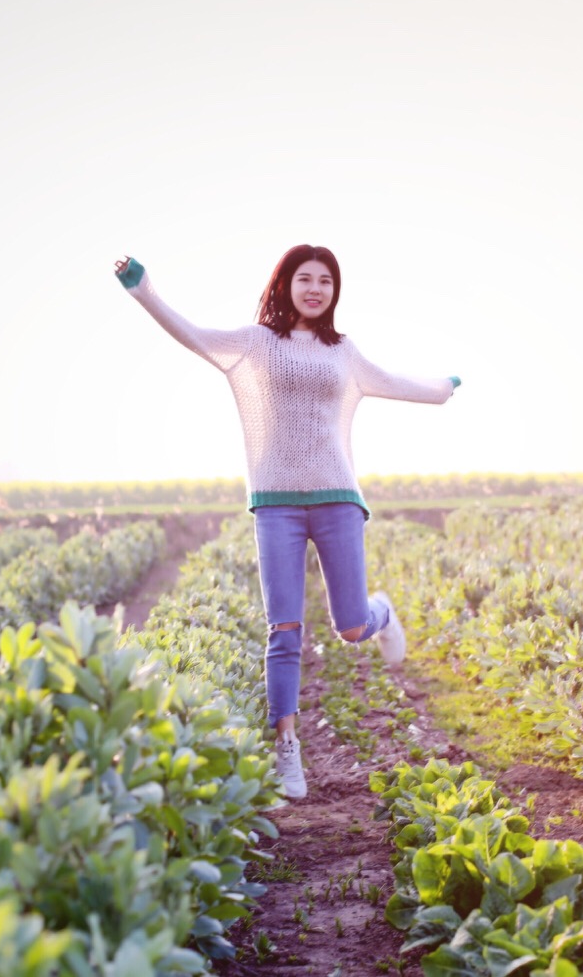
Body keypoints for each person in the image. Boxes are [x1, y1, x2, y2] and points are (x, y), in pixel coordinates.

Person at [112, 245, 460, 799]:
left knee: (349, 628)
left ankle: (381, 612)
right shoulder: (254, 344)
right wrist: (143, 287)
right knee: (285, 629)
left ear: (333, 291)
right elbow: (192, 333)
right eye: (306, 279)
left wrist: (442, 389)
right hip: (275, 503)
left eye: (326, 280)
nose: (316, 288)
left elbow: (394, 381)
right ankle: (287, 749)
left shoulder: (343, 352)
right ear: (286, 284)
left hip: (337, 497)